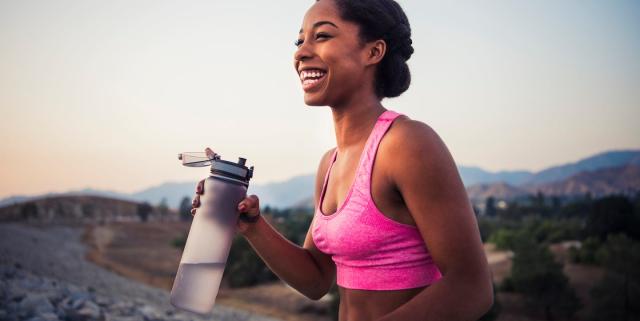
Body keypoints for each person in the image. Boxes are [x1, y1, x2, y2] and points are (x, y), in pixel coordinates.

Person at [192, 0, 493, 320]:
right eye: (299, 40)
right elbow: (316, 279)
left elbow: (471, 287)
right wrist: (252, 227)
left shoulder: (407, 144)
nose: (301, 52)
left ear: (373, 52)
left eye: (321, 36)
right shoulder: (330, 164)